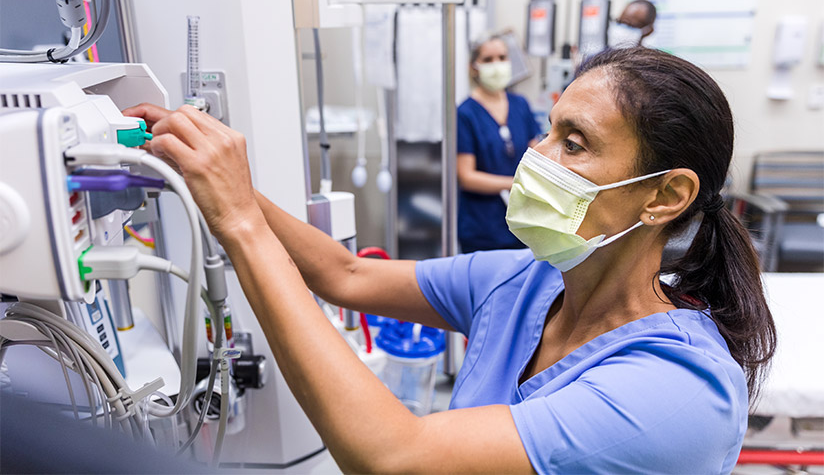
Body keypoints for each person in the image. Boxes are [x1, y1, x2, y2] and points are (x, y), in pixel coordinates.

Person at [125, 47, 775, 474]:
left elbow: (393, 457)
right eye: (547, 129)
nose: (535, 155)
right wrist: (208, 173)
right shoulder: (524, 281)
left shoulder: (679, 391)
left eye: (573, 143)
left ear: (665, 194)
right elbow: (343, 274)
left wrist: (240, 220)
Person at [457, 33, 543, 253]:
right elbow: (466, 177)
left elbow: (537, 154)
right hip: (482, 227)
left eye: (502, 57)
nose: (497, 65)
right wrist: (516, 182)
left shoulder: (520, 105)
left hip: (524, 223)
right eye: (488, 59)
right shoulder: (465, 113)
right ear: (474, 67)